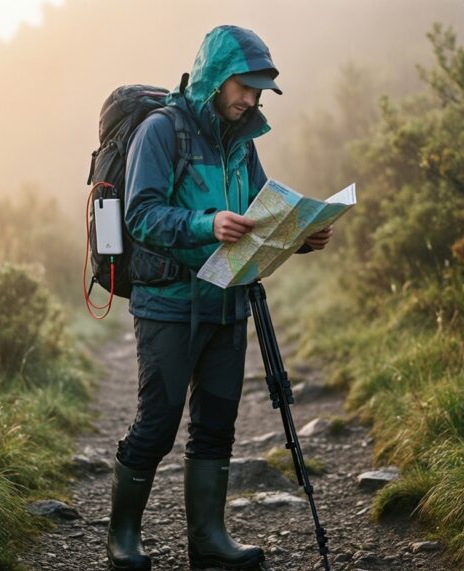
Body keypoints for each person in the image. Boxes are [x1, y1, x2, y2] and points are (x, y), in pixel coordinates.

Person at [107, 25, 334, 571]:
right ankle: (122, 539)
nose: (251, 99)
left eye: (259, 92)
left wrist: (300, 235)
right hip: (167, 304)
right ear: (215, 76)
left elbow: (259, 215)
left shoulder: (243, 141)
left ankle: (208, 540)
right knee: (158, 422)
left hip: (228, 302)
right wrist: (207, 223)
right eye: (244, 87)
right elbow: (140, 216)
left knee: (217, 425)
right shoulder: (162, 132)